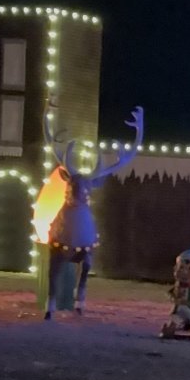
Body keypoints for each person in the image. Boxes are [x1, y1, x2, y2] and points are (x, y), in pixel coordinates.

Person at [43, 108, 143, 319]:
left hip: (81, 226)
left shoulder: (86, 200)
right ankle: (51, 303)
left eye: (83, 186)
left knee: (86, 262)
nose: (78, 189)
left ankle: (80, 297)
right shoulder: (70, 196)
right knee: (56, 262)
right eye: (74, 185)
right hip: (66, 224)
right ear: (67, 182)